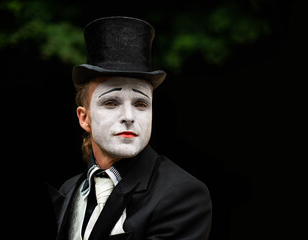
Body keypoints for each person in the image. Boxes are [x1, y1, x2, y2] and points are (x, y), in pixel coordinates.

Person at [54, 16, 212, 240]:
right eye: (111, 102)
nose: (129, 117)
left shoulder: (182, 195)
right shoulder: (68, 191)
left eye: (141, 104)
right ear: (84, 118)